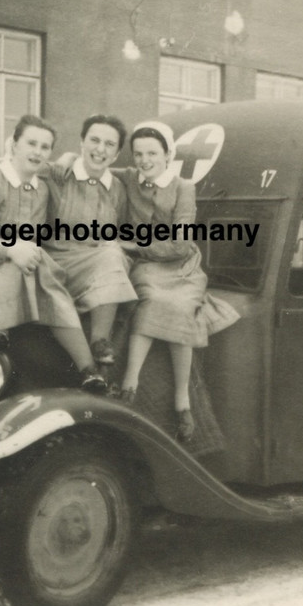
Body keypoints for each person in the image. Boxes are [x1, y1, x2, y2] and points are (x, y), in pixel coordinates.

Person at [0, 115, 106, 391]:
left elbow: (71, 169)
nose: (37, 151)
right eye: (31, 143)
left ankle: (89, 371)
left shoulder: (41, 188)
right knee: (31, 265)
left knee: (43, 272)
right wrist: (11, 247)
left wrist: (69, 157)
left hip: (22, 264)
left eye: (45, 147)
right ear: (14, 145)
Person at [114, 122, 239, 441]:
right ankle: (130, 382)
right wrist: (4, 164)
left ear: (168, 154)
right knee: (152, 298)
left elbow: (180, 244)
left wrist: (130, 243)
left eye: (152, 153)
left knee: (182, 305)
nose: (145, 160)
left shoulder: (184, 187)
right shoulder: (129, 178)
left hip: (181, 265)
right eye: (139, 153)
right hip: (147, 266)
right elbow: (81, 163)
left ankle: (182, 399)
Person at [38, 114, 137, 369]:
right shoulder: (57, 173)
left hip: (96, 267)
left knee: (113, 251)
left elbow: (119, 231)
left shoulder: (117, 189)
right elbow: (22, 166)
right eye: (94, 140)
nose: (100, 149)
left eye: (109, 144)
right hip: (56, 262)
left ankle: (99, 341)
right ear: (81, 142)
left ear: (116, 154)